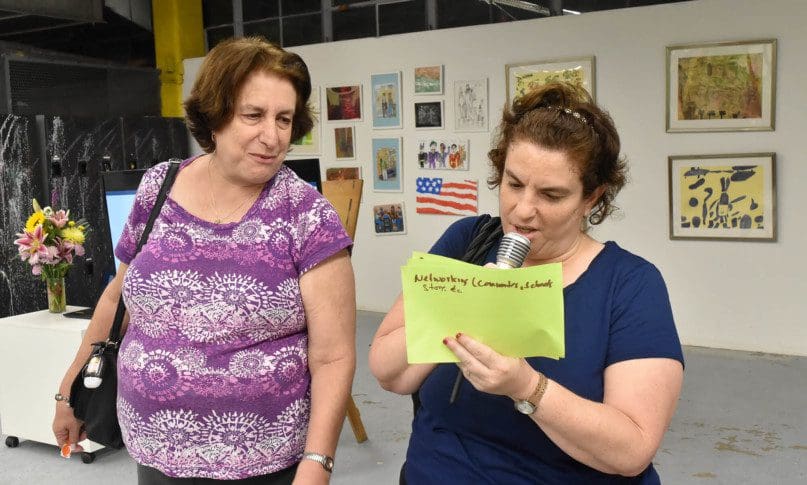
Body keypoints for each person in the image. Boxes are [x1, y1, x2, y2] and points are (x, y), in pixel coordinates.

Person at [53, 37, 356, 484]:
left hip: (263, 464)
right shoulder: (159, 186)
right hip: (156, 451)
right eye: (253, 115)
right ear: (214, 115)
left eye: (284, 119)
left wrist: (318, 463)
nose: (271, 136)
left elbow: (332, 357)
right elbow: (119, 296)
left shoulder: (307, 216)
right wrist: (69, 393)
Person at [369, 82, 684, 484]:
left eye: (551, 195)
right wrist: (458, 304)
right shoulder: (469, 241)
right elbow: (390, 373)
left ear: (592, 198)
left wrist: (527, 387)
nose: (522, 211)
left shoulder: (630, 285)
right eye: (514, 184)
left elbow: (632, 451)